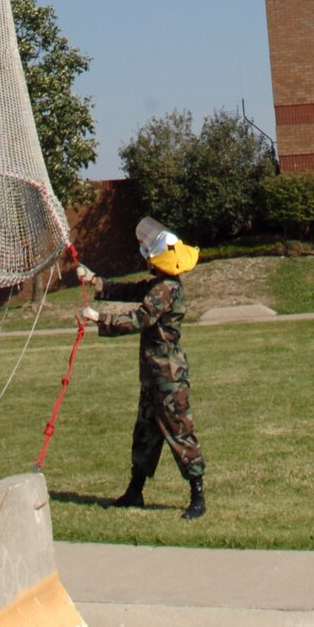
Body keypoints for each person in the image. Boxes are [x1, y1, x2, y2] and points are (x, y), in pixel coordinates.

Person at [78, 215, 206, 520]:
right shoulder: (158, 285)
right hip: (152, 376)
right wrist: (97, 281)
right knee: (146, 433)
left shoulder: (165, 290)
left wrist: (99, 319)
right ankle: (135, 492)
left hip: (168, 377)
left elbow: (141, 318)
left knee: (179, 432)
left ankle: (197, 496)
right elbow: (132, 291)